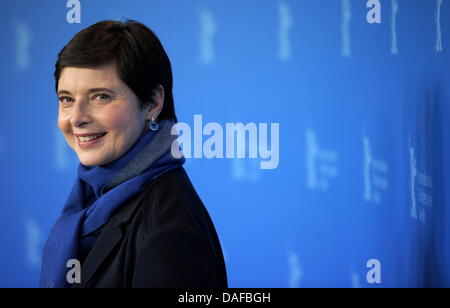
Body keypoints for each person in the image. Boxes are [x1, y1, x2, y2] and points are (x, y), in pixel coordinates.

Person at [39, 19, 228, 288]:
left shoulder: (169, 234)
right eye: (66, 99)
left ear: (153, 103)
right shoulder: (91, 199)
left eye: (100, 96)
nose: (76, 118)